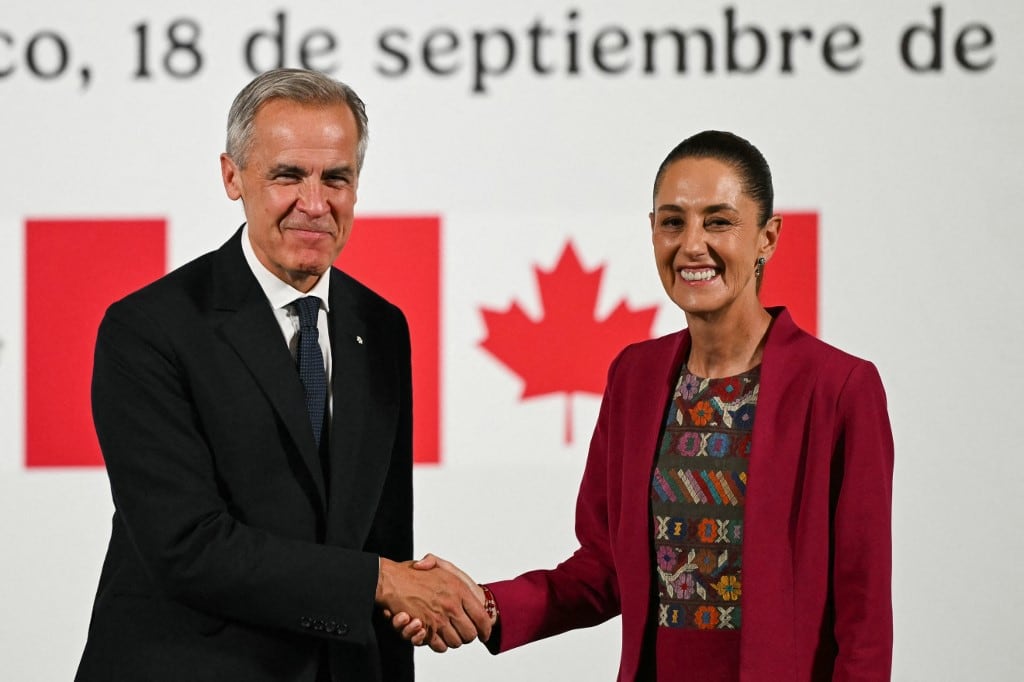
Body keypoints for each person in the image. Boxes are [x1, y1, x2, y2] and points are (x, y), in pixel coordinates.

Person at [394, 130, 894, 680]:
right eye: (673, 221)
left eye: (719, 221)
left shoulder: (840, 387)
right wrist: (486, 607)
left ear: (767, 237)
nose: (692, 244)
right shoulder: (636, 375)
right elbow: (605, 568)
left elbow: (864, 613)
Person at [75, 68, 489, 682]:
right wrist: (379, 582)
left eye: (337, 178)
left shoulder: (381, 326)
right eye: (288, 175)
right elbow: (187, 547)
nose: (315, 204)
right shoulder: (148, 329)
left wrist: (395, 596)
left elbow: (383, 538)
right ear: (232, 177)